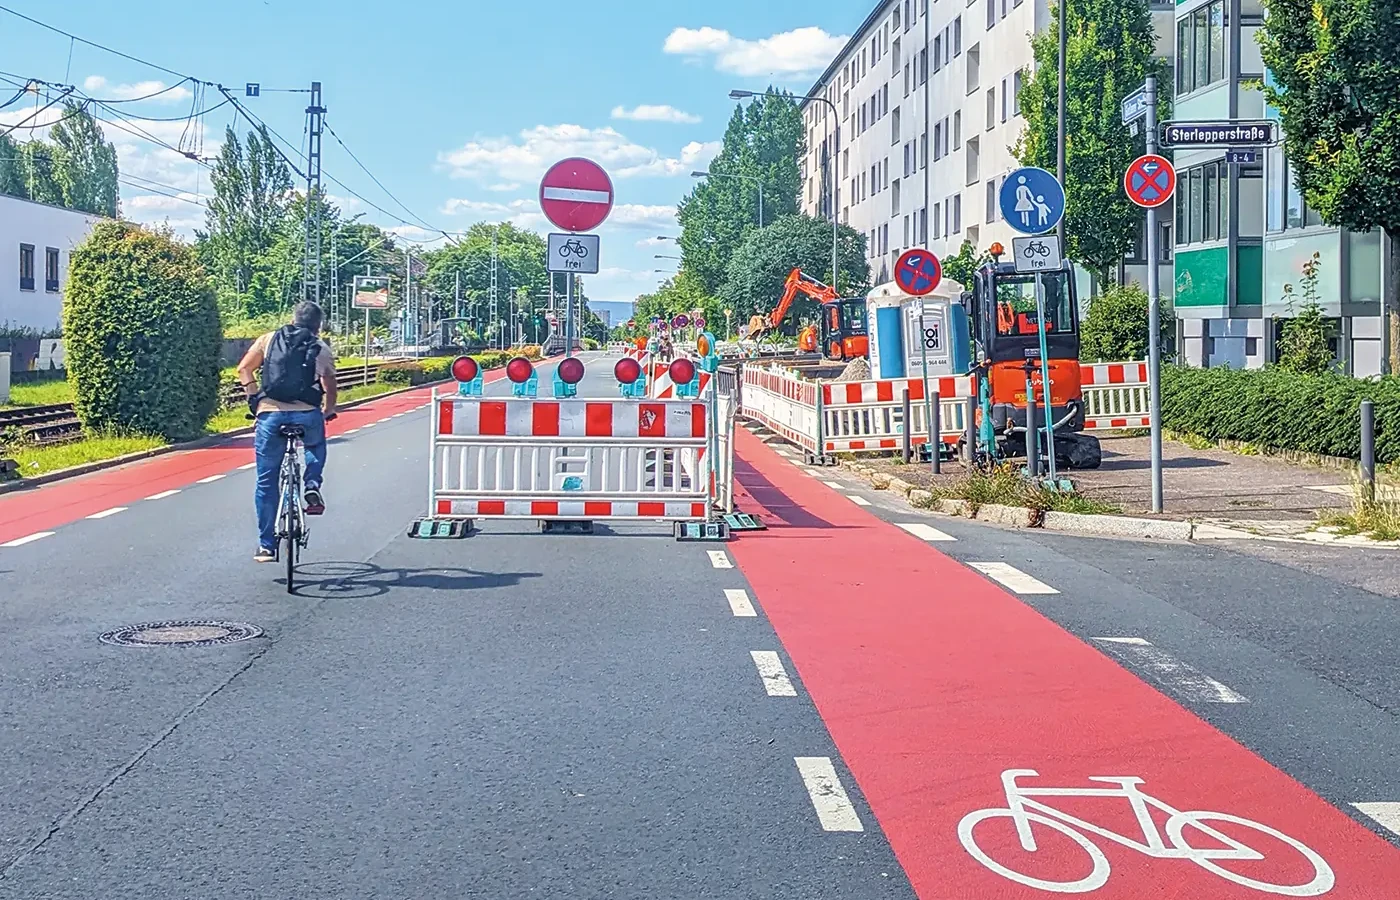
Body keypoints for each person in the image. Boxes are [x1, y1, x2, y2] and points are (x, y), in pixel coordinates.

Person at [237, 301, 338, 563]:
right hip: (307, 414)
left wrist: (253, 397)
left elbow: (244, 369)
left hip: (270, 415)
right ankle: (312, 483)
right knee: (315, 444)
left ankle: (266, 546)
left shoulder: (268, 340)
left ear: (293, 319)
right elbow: (329, 384)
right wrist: (328, 410)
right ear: (319, 325)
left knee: (266, 482)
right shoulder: (321, 348)